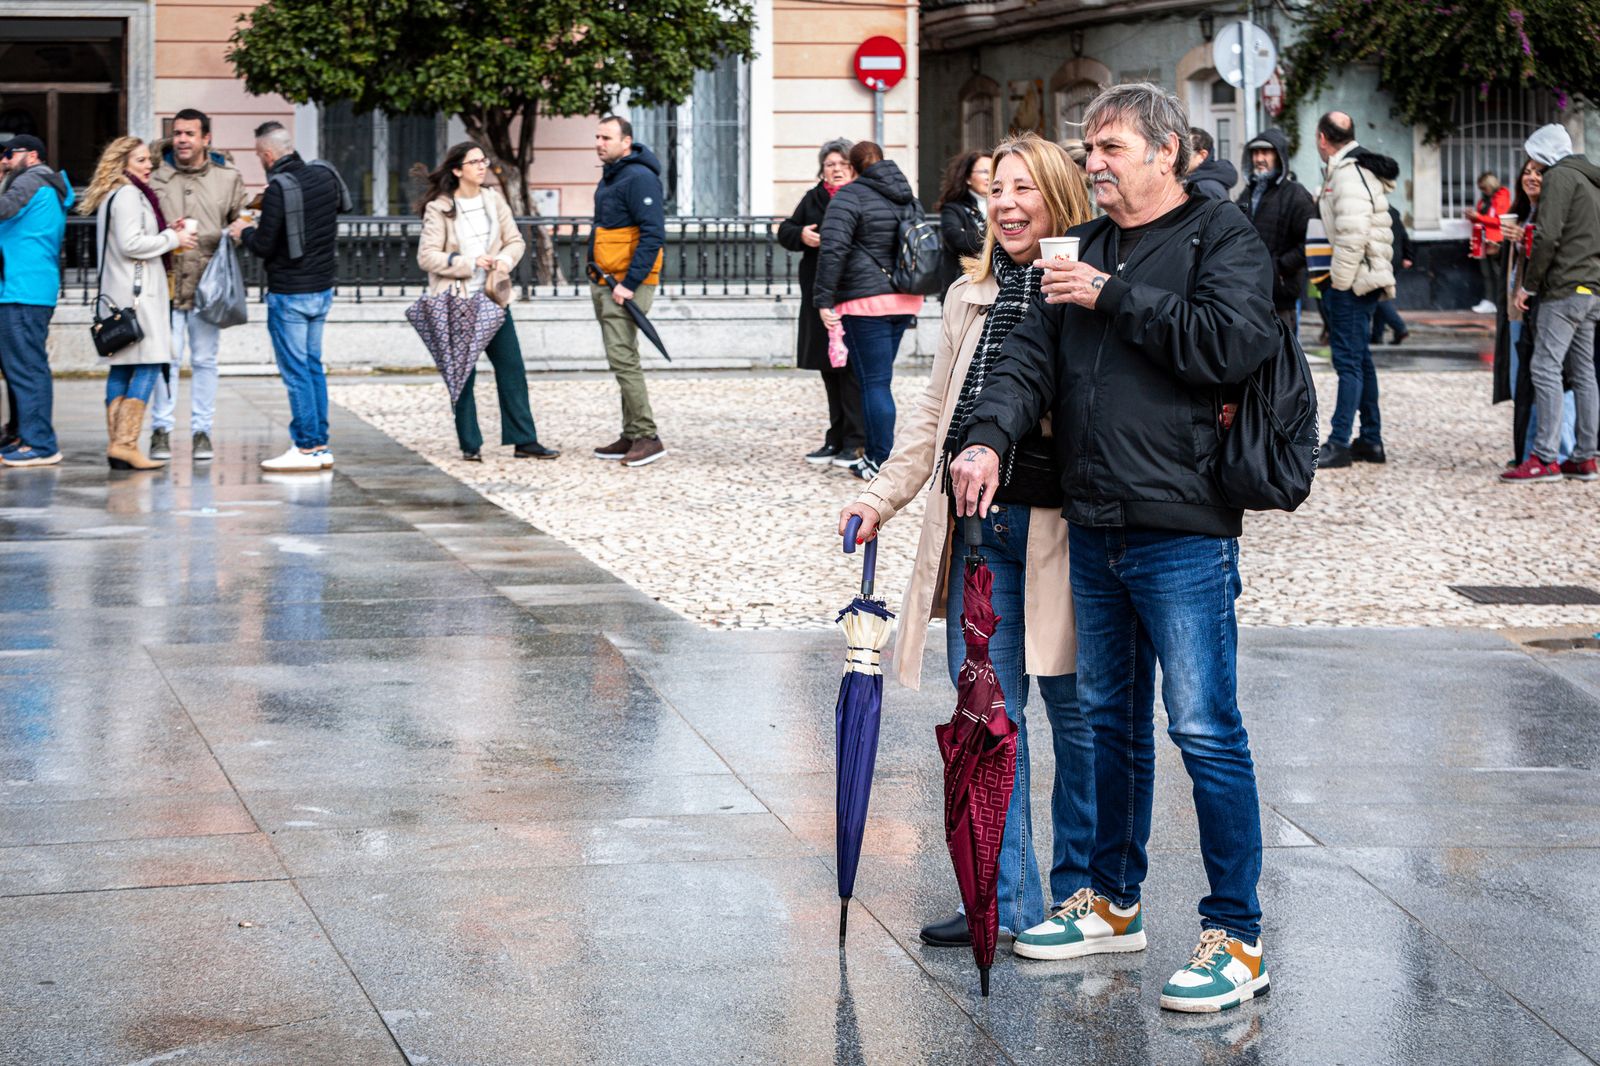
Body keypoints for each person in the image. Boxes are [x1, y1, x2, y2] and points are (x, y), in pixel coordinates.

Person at [951, 83, 1278, 1014]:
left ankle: (1237, 935)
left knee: (1205, 728)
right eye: (1088, 148)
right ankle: (1110, 899)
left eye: (1111, 148)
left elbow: (1232, 346)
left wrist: (1114, 295)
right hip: (1094, 523)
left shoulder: (1222, 236)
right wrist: (989, 436)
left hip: (1183, 527)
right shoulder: (1080, 246)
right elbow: (1026, 362)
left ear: (1166, 152)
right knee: (1109, 722)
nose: (1093, 163)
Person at [837, 132, 1096, 949]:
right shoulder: (966, 295)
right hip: (979, 538)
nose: (1008, 205)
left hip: (1058, 533)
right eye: (997, 190)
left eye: (1026, 189)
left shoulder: (1084, 287)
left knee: (1074, 714)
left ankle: (1082, 899)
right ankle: (1002, 900)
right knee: (988, 718)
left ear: (1059, 197)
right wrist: (882, 496)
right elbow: (931, 415)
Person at [415, 142, 557, 463]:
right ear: (457, 170)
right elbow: (427, 256)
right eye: (474, 162)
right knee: (462, 374)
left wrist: (504, 261)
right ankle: (470, 443)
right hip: (456, 301)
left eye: (484, 160)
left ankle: (524, 440)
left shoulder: (493, 201)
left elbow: (515, 241)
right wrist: (468, 262)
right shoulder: (440, 208)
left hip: (493, 298)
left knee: (512, 368)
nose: (482, 166)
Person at [76, 136, 199, 469]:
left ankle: (118, 445)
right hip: (138, 297)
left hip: (123, 295)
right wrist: (174, 238)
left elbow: (130, 238)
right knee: (148, 363)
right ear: (123, 162)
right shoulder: (129, 194)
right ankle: (126, 444)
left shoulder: (113, 194)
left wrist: (162, 231)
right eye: (141, 160)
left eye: (148, 160)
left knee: (123, 366)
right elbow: (131, 243)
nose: (149, 166)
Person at [229, 123, 345, 471]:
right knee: (312, 368)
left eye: (258, 156)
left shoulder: (280, 187)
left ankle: (307, 446)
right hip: (322, 289)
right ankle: (320, 445)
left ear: (267, 154)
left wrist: (244, 231)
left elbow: (264, 245)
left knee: (296, 373)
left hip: (290, 292)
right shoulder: (324, 175)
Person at [813, 141, 924, 481]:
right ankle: (878, 454)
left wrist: (823, 299)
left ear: (855, 166)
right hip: (905, 297)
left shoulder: (848, 196)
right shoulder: (907, 195)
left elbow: (832, 250)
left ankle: (878, 458)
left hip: (864, 302)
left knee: (874, 382)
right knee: (880, 379)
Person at [149, 108, 248, 462]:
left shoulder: (228, 176)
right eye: (177, 133)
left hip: (209, 284)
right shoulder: (156, 175)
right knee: (167, 359)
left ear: (206, 138)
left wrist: (232, 234)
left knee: (205, 359)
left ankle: (202, 431)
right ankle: (160, 430)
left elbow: (243, 217)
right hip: (166, 281)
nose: (182, 140)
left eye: (190, 134)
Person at [1503, 124, 1600, 483]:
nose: (1534, 166)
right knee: (1584, 372)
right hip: (1591, 288)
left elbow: (1547, 237)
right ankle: (1584, 457)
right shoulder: (1590, 180)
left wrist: (1528, 286)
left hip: (1562, 289)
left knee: (1544, 368)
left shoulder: (1560, 176)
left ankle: (1545, 458)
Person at [777, 139, 865, 469]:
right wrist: (802, 235)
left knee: (852, 371)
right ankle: (836, 436)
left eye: (843, 163)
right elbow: (785, 230)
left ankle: (857, 440)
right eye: (830, 164)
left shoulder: (862, 196)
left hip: (851, 293)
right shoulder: (814, 197)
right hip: (819, 294)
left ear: (854, 168)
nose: (836, 169)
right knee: (829, 368)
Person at [1315, 110, 1396, 468]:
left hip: (1354, 281)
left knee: (1348, 363)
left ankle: (1340, 442)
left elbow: (1352, 235)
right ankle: (1371, 440)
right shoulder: (1354, 168)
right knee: (1360, 359)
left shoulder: (1348, 174)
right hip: (1365, 278)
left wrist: (1339, 284)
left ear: (1322, 138)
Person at [589, 115, 668, 468]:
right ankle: (632, 432)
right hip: (608, 279)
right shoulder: (614, 176)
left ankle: (648, 436)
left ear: (627, 142)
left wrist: (629, 284)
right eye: (597, 137)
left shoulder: (639, 177)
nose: (599, 143)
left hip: (624, 284)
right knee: (623, 357)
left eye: (606, 137)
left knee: (623, 358)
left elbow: (653, 233)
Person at [1495, 158, 1577, 467]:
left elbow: (1555, 254)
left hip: (1548, 305)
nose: (1531, 177)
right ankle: (1529, 450)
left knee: (1556, 378)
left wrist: (1524, 241)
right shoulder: (1522, 214)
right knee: (1524, 383)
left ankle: (1561, 451)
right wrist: (1506, 246)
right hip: (1518, 310)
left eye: (1539, 173)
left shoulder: (1557, 213)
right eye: (1527, 172)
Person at [0, 134, 73, 467]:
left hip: (22, 290)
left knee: (27, 369)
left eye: (7, 155)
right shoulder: (44, 184)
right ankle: (19, 433)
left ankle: (40, 443)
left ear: (31, 155)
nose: (3, 161)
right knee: (20, 367)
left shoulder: (32, 179)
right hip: (26, 289)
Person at [1236, 128, 1316, 335]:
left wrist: (1279, 267)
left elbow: (1309, 242)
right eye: (1255, 153)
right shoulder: (1248, 192)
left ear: (1279, 157)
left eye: (1266, 153)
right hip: (1247, 291)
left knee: (1282, 359)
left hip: (1280, 294)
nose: (1259, 158)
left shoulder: (1295, 194)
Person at [935, 151, 991, 299]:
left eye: (994, 171)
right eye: (984, 171)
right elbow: (956, 238)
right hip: (962, 287)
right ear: (967, 178)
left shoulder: (1003, 205)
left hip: (995, 286)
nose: (989, 177)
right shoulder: (953, 208)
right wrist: (995, 239)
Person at [1467, 170, 1511, 314]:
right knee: (1486, 273)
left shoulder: (1502, 197)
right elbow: (1484, 217)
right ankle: (1490, 300)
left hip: (1496, 240)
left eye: (1484, 188)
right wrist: (1474, 217)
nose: (1482, 191)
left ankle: (1501, 302)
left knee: (1498, 273)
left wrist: (1479, 217)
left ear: (1490, 185)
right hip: (1483, 239)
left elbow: (1500, 220)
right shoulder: (1485, 200)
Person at [1370, 206, 1414, 344]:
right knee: (1380, 293)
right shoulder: (1393, 211)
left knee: (1377, 296)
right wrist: (1408, 255)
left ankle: (1399, 327)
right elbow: (1403, 234)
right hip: (1394, 258)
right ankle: (1377, 335)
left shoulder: (1373, 210)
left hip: (1382, 258)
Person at [1186, 127, 1237, 201]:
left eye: (1185, 152)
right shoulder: (1200, 184)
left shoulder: (1205, 188)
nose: (1177, 157)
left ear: (1202, 155)